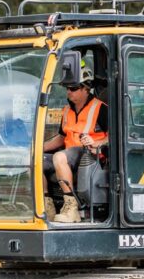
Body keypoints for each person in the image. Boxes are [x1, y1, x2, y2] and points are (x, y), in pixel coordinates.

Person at [42, 67, 108, 223]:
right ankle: (47, 205)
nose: (68, 92)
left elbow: (115, 136)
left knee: (59, 157)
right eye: (67, 88)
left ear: (86, 89)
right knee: (36, 160)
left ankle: (71, 208)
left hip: (89, 155)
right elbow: (61, 138)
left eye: (73, 88)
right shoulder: (67, 110)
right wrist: (39, 148)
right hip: (69, 154)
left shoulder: (100, 108)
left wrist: (96, 142)